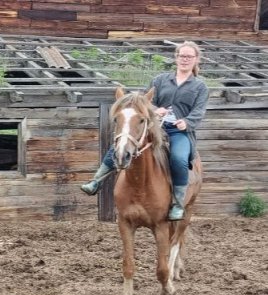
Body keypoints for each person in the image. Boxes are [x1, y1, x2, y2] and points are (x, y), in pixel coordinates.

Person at [81, 41, 209, 221]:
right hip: (155, 127)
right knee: (124, 142)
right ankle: (96, 181)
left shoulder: (200, 87)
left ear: (196, 60)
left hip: (179, 132)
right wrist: (155, 110)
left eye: (189, 57)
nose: (185, 60)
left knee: (179, 159)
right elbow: (144, 102)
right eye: (182, 56)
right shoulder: (161, 80)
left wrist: (187, 122)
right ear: (176, 58)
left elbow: (199, 110)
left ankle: (178, 204)